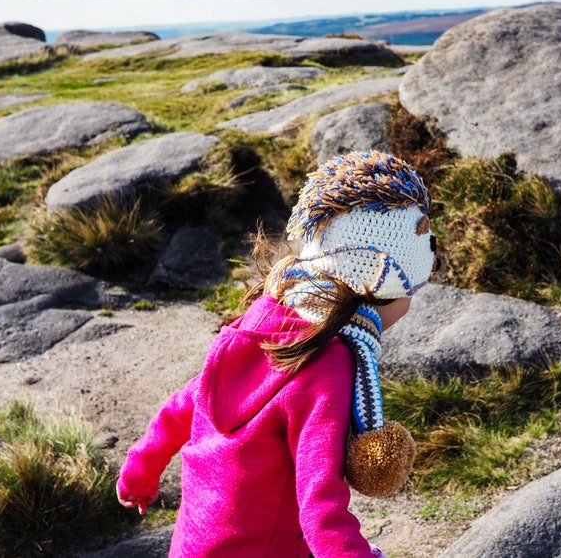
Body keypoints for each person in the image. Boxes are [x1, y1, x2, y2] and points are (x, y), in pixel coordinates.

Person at [117, 150, 440, 557]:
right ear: (380, 290)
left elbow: (182, 406)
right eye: (411, 291)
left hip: (195, 543)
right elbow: (319, 501)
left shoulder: (263, 321)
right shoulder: (327, 366)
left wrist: (137, 474)